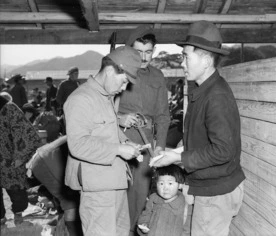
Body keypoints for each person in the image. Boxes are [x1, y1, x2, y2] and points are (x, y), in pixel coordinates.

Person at [152, 21, 246, 236]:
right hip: (208, 188)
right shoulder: (203, 89)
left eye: (186, 56)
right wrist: (175, 151)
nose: (182, 63)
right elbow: (202, 138)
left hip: (216, 193)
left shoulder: (216, 96)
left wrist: (178, 159)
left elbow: (223, 150)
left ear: (205, 60)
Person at [63, 46, 142, 235]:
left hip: (114, 180)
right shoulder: (81, 99)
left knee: (122, 231)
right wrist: (118, 149)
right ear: (109, 71)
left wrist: (124, 142)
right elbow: (78, 144)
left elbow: (106, 128)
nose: (124, 88)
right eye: (123, 82)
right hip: (97, 187)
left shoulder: (105, 96)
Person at [117, 25, 170, 234]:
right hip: (119, 139)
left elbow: (164, 116)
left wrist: (161, 146)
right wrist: (120, 119)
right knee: (118, 195)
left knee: (139, 196)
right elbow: (100, 111)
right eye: (138, 51)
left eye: (148, 51)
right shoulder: (117, 73)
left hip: (145, 142)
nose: (144, 57)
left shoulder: (157, 76)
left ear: (154, 51)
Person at [26, 135, 82, 236]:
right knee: (71, 201)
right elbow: (70, 135)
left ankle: (62, 230)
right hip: (47, 161)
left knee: (72, 201)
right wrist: (45, 150)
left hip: (51, 159)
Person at [0, 95, 41, 222]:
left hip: (9, 159)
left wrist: (20, 156)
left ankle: (18, 214)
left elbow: (26, 132)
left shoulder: (8, 108)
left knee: (19, 198)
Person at [137, 165, 192, 236]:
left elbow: (187, 231)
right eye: (161, 183)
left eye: (170, 183)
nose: (165, 188)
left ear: (180, 185)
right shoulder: (153, 200)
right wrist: (144, 225)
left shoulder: (186, 208)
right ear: (156, 184)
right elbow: (145, 215)